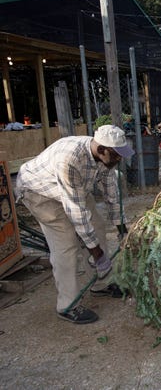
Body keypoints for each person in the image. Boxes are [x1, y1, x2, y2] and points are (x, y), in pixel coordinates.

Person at [15, 125, 134, 324]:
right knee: (66, 244)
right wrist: (96, 253)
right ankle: (67, 305)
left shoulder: (106, 159)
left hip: (73, 190)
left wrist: (123, 229)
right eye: (116, 155)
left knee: (97, 227)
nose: (119, 159)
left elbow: (112, 194)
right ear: (102, 149)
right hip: (40, 192)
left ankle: (101, 283)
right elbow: (76, 213)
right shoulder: (70, 160)